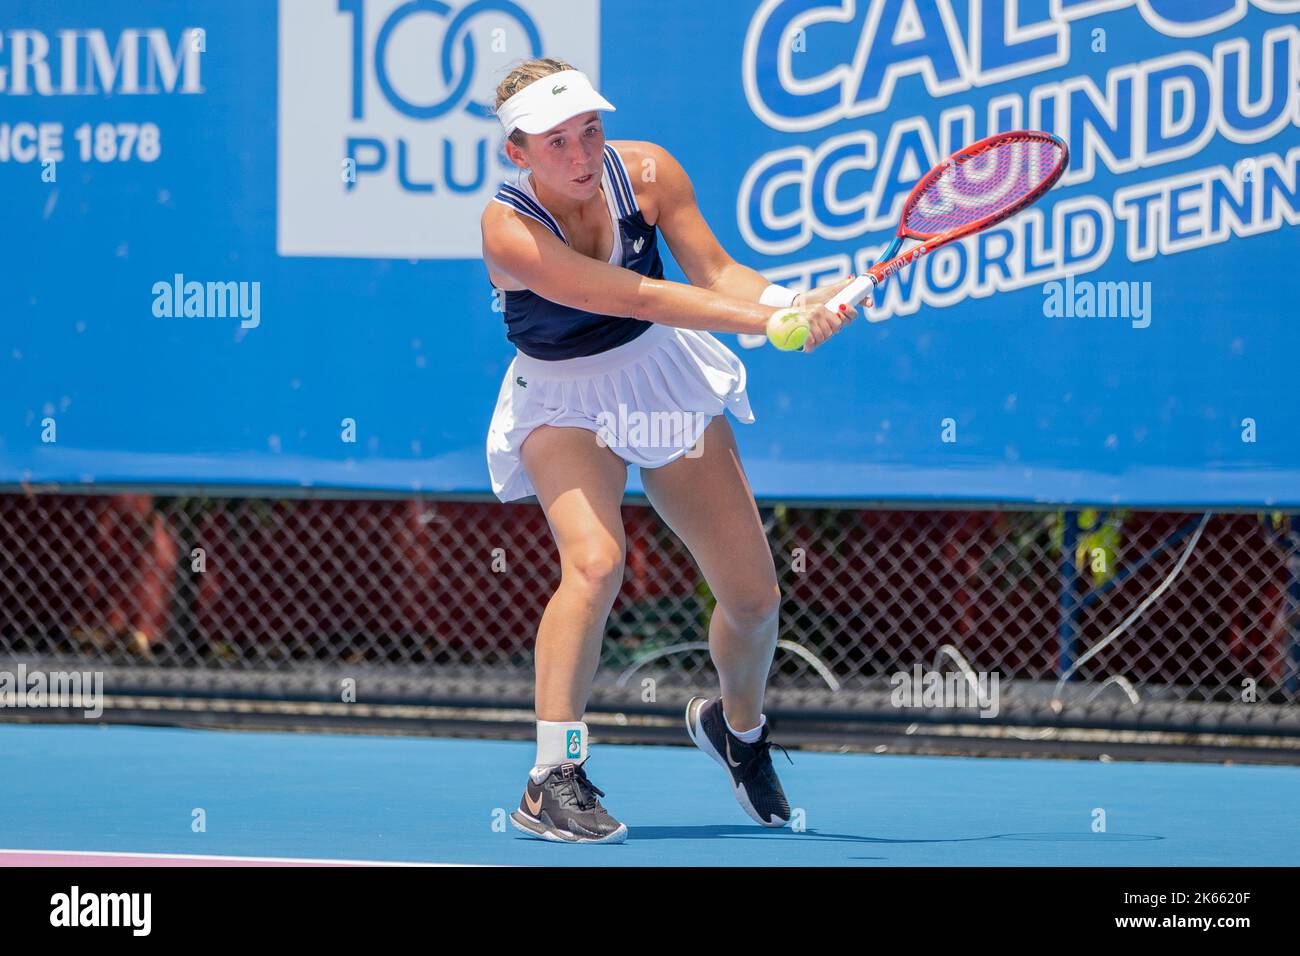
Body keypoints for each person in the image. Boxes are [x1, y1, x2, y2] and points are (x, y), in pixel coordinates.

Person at [481, 57, 860, 844]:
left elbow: (719, 273)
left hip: (660, 374)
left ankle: (738, 728)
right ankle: (553, 774)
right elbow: (637, 295)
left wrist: (795, 300)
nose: (583, 156)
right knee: (593, 561)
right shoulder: (507, 229)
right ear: (517, 152)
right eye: (557, 143)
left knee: (755, 599)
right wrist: (769, 324)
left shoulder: (649, 172)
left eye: (590, 130)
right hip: (563, 398)